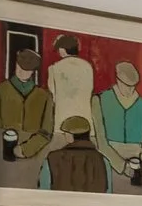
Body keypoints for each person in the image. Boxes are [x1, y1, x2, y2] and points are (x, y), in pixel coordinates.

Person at [0, 46, 66, 188]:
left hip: (33, 157)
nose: (22, 72)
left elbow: (46, 132)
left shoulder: (44, 96)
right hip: (2, 156)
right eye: (20, 67)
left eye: (27, 70)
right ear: (15, 65)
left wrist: (26, 149)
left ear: (33, 72)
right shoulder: (0, 91)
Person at [44, 36, 108, 192]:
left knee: (60, 168)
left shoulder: (54, 68)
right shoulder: (87, 67)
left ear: (62, 49)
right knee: (90, 169)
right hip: (86, 123)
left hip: (62, 124)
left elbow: (53, 93)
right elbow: (90, 90)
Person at [95, 59, 142, 188]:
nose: (130, 90)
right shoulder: (99, 100)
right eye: (126, 86)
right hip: (107, 164)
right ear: (118, 80)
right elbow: (101, 142)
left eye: (133, 86)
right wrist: (122, 166)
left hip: (136, 166)